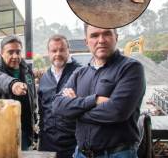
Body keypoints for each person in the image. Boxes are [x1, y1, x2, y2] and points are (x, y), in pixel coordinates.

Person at [53, 23, 146, 158]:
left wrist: (75, 110)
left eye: (107, 33)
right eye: (94, 35)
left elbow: (117, 112)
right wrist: (94, 100)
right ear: (86, 42)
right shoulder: (79, 73)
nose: (101, 40)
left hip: (117, 154)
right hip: (81, 154)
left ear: (116, 37)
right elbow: (57, 105)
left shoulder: (131, 69)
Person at [0, 35, 36, 150]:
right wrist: (13, 84)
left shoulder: (27, 70)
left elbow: (32, 96)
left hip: (24, 129)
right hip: (1, 130)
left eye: (18, 52)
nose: (15, 56)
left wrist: (33, 119)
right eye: (10, 52)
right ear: (2, 53)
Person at [38, 34, 81, 157]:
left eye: (62, 50)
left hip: (73, 144)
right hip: (48, 143)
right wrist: (41, 137)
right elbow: (42, 111)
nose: (58, 54)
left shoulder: (80, 73)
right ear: (48, 53)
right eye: (54, 51)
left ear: (69, 50)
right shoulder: (45, 78)